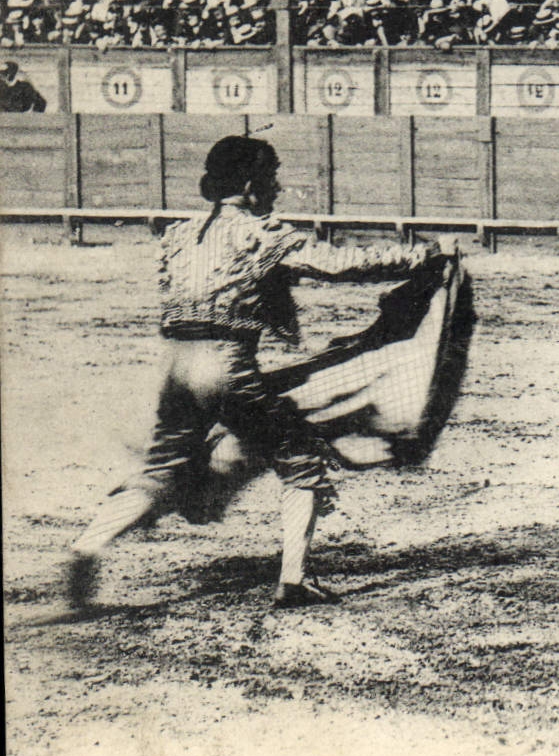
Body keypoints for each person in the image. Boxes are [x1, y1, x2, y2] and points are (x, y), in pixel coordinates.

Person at [64, 136, 441, 612]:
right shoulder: (261, 234)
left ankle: (88, 546)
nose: (278, 186)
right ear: (250, 183)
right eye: (272, 175)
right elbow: (338, 265)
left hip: (176, 365)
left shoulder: (179, 234)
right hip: (228, 366)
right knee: (300, 459)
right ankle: (294, 581)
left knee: (162, 469)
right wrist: (419, 257)